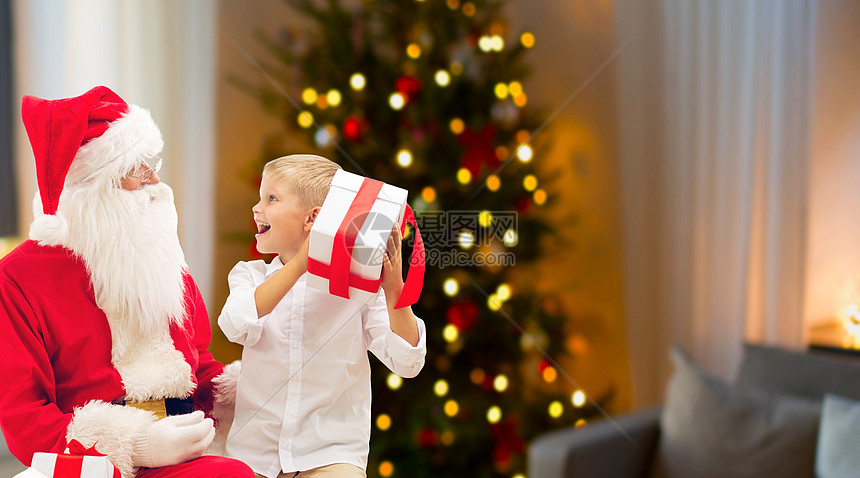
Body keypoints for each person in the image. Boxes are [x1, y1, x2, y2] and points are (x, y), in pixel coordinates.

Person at [0, 86, 254, 478]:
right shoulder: (19, 277)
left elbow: (197, 363)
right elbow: (24, 418)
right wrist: (137, 445)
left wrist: (245, 394)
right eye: (136, 169)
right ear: (95, 189)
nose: (154, 179)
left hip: (189, 445)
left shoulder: (160, 256)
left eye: (151, 163)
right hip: (95, 464)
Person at [218, 154, 426, 478]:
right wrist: (303, 262)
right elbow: (236, 324)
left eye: (271, 198)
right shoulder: (250, 275)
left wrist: (395, 294)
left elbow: (407, 362)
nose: (256, 209)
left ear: (312, 218)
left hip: (332, 455)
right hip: (254, 455)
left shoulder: (361, 291)